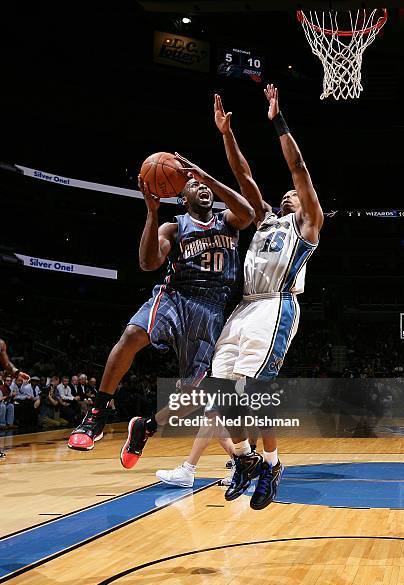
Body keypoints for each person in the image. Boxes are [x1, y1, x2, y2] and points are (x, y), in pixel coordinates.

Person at [156, 86, 324, 509]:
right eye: (283, 192)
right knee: (220, 392)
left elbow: (299, 167)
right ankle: (247, 459)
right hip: (245, 307)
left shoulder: (307, 226)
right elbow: (244, 178)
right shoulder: (265, 219)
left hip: (276, 305)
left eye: (293, 193)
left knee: (254, 390)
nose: (287, 193)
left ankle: (271, 462)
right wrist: (226, 135)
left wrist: (276, 120)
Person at [68, 155, 254, 451]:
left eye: (202, 185)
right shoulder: (174, 227)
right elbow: (147, 262)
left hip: (212, 308)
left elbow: (249, 213)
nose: (201, 188)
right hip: (177, 295)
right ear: (182, 198)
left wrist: (207, 179)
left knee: (198, 393)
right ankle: (97, 414)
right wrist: (152, 213)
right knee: (132, 334)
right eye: (193, 186)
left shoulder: (228, 221)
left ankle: (146, 427)